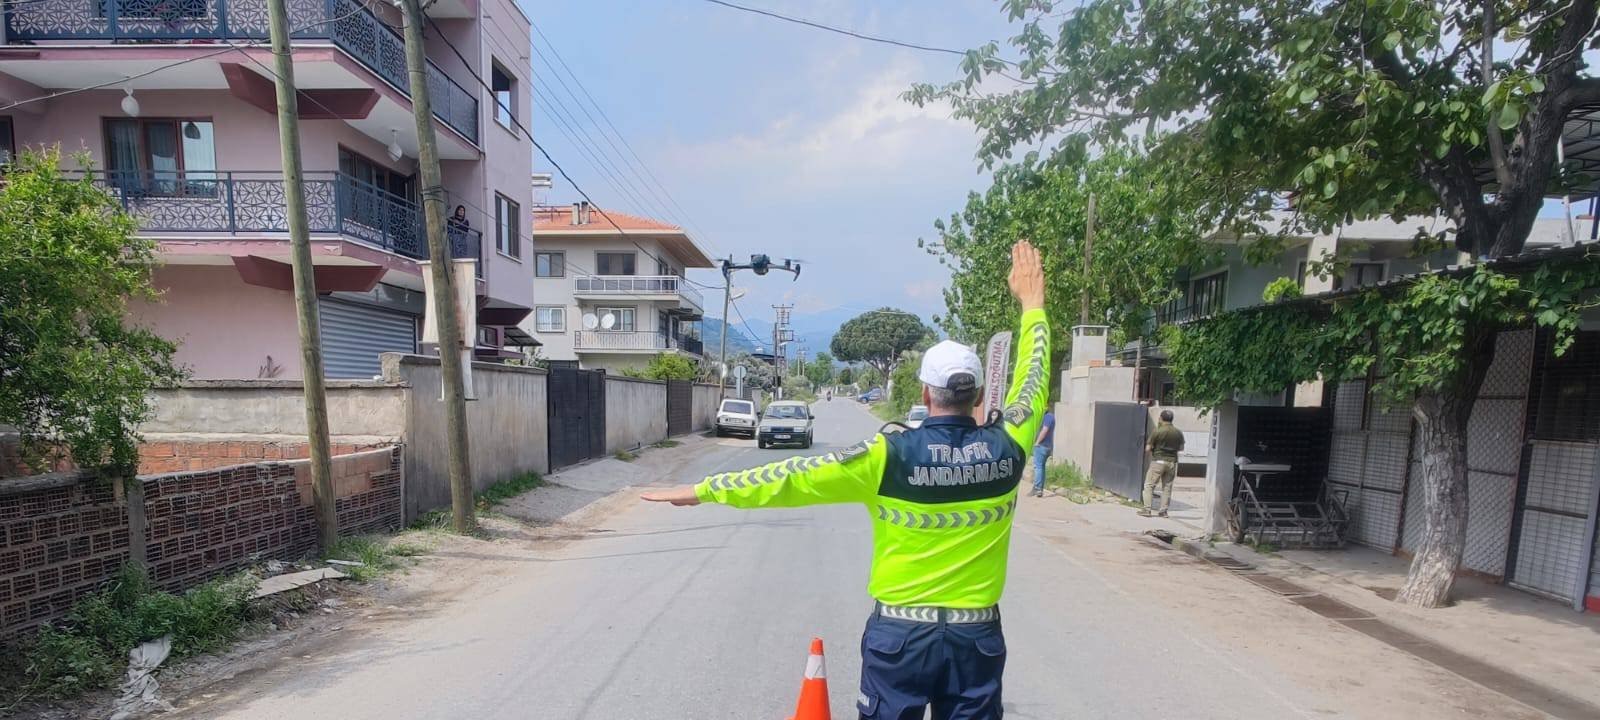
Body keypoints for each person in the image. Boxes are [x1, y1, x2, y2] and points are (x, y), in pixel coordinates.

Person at [642, 240, 1050, 720]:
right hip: (976, 639)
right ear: (978, 393)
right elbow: (1034, 377)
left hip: (901, 637)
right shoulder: (1011, 444)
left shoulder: (886, 455)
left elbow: (792, 477)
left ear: (924, 391)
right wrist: (1033, 305)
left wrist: (705, 489)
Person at [1140, 409, 1185, 517]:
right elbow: (1181, 448)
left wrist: (1155, 450)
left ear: (1161, 418)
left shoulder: (1157, 431)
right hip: (1172, 463)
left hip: (1158, 461)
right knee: (1167, 487)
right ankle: (1163, 511)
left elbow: (1147, 448)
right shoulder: (1178, 432)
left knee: (1149, 485)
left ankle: (1147, 510)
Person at [1029, 409, 1055, 497]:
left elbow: (1045, 430)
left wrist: (1037, 442)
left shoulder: (1047, 417)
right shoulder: (1050, 417)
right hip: (1048, 446)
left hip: (1042, 446)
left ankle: (1037, 488)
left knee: (1038, 467)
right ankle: (1039, 488)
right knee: (1042, 467)